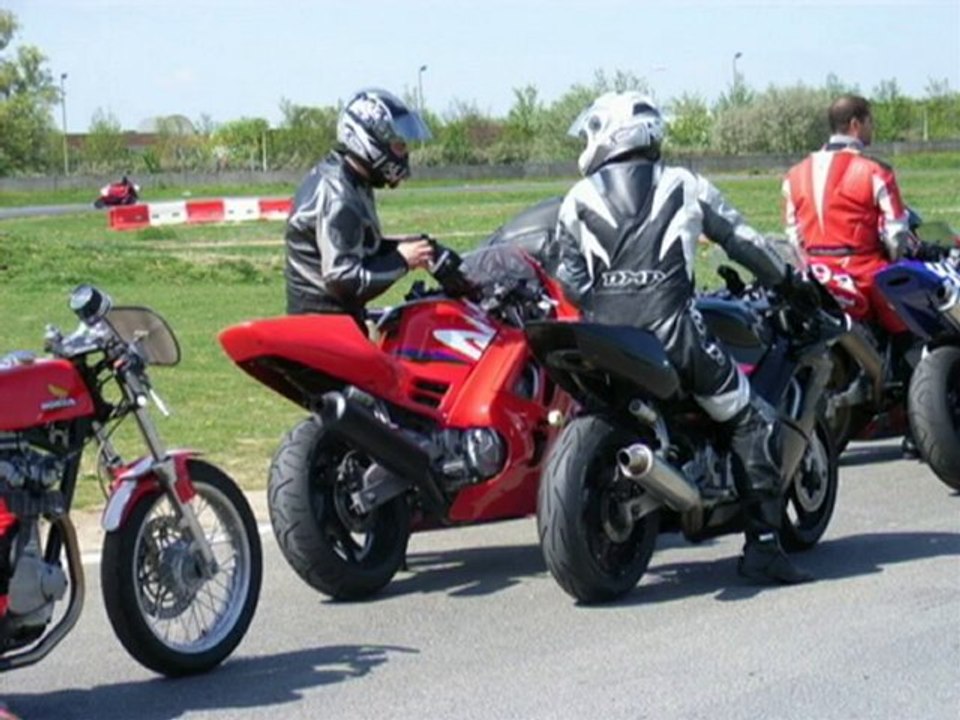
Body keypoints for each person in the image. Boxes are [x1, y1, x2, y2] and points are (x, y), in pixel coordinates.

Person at [555, 91, 818, 585]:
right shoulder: (685, 184)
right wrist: (788, 281)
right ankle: (763, 548)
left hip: (603, 333)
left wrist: (610, 296)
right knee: (751, 417)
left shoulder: (576, 198)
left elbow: (568, 276)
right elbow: (742, 240)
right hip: (673, 329)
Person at [782, 94, 923, 454]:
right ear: (856, 124)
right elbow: (896, 233)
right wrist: (897, 255)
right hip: (863, 270)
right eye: (870, 121)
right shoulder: (875, 171)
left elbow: (793, 235)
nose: (873, 128)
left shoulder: (795, 174)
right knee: (913, 329)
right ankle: (918, 427)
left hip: (815, 272)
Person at [284, 88, 435, 329]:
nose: (404, 154)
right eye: (398, 145)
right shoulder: (339, 193)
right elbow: (344, 280)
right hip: (325, 328)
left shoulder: (350, 178)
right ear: (370, 139)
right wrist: (402, 260)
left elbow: (355, 245)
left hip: (331, 322)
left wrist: (406, 246)